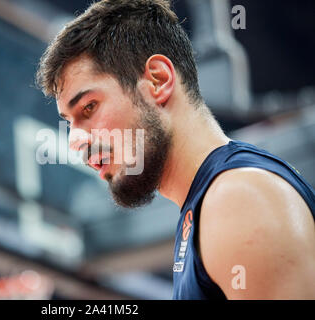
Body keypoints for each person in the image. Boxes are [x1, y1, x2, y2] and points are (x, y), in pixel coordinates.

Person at [35, 0, 315, 299]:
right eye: (70, 122)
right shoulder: (205, 205)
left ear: (158, 80)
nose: (75, 140)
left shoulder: (238, 198)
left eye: (89, 107)